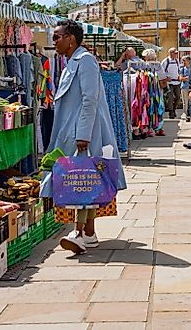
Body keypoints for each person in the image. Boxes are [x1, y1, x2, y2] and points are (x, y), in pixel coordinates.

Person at [41, 19, 128, 255]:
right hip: (74, 129)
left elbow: (90, 99)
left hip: (83, 131)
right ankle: (89, 233)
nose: (54, 41)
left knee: (79, 179)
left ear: (71, 39)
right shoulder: (72, 61)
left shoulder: (85, 60)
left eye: (58, 37)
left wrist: (84, 135)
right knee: (87, 178)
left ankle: (78, 233)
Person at [161, 48, 182, 119]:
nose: (176, 54)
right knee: (170, 98)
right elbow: (161, 71)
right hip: (169, 83)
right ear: (170, 53)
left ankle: (174, 109)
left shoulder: (177, 61)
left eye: (176, 53)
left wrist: (180, 76)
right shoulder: (165, 61)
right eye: (175, 53)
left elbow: (179, 70)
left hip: (177, 82)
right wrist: (166, 78)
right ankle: (171, 112)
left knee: (178, 97)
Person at [180, 56, 191, 121]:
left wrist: (186, 78)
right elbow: (180, 78)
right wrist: (187, 78)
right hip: (184, 88)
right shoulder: (182, 69)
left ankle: (190, 115)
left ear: (189, 61)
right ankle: (185, 115)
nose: (183, 62)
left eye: (184, 60)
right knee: (185, 102)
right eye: (183, 61)